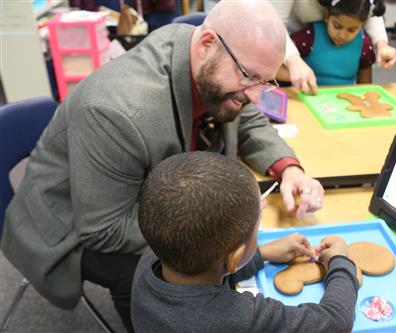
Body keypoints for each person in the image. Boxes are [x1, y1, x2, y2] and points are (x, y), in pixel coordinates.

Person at [1, 1, 324, 331]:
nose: (257, 97)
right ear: (207, 44)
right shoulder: (115, 114)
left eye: (265, 82)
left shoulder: (201, 53)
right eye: (248, 77)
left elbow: (246, 115)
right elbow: (101, 229)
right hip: (67, 227)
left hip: (132, 196)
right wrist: (215, 229)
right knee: (162, 276)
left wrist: (288, 169)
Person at [132, 151, 358, 332]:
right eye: (257, 225)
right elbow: (336, 322)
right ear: (235, 258)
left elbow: (204, 272)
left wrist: (263, 253)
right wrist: (341, 262)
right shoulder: (241, 318)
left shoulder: (156, 252)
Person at [269, 0, 396, 94]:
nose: (342, 35)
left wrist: (381, 44)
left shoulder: (361, 43)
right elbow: (275, 22)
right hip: (288, 36)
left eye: (351, 29)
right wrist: (293, 60)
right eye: (338, 26)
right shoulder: (307, 37)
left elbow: (365, 8)